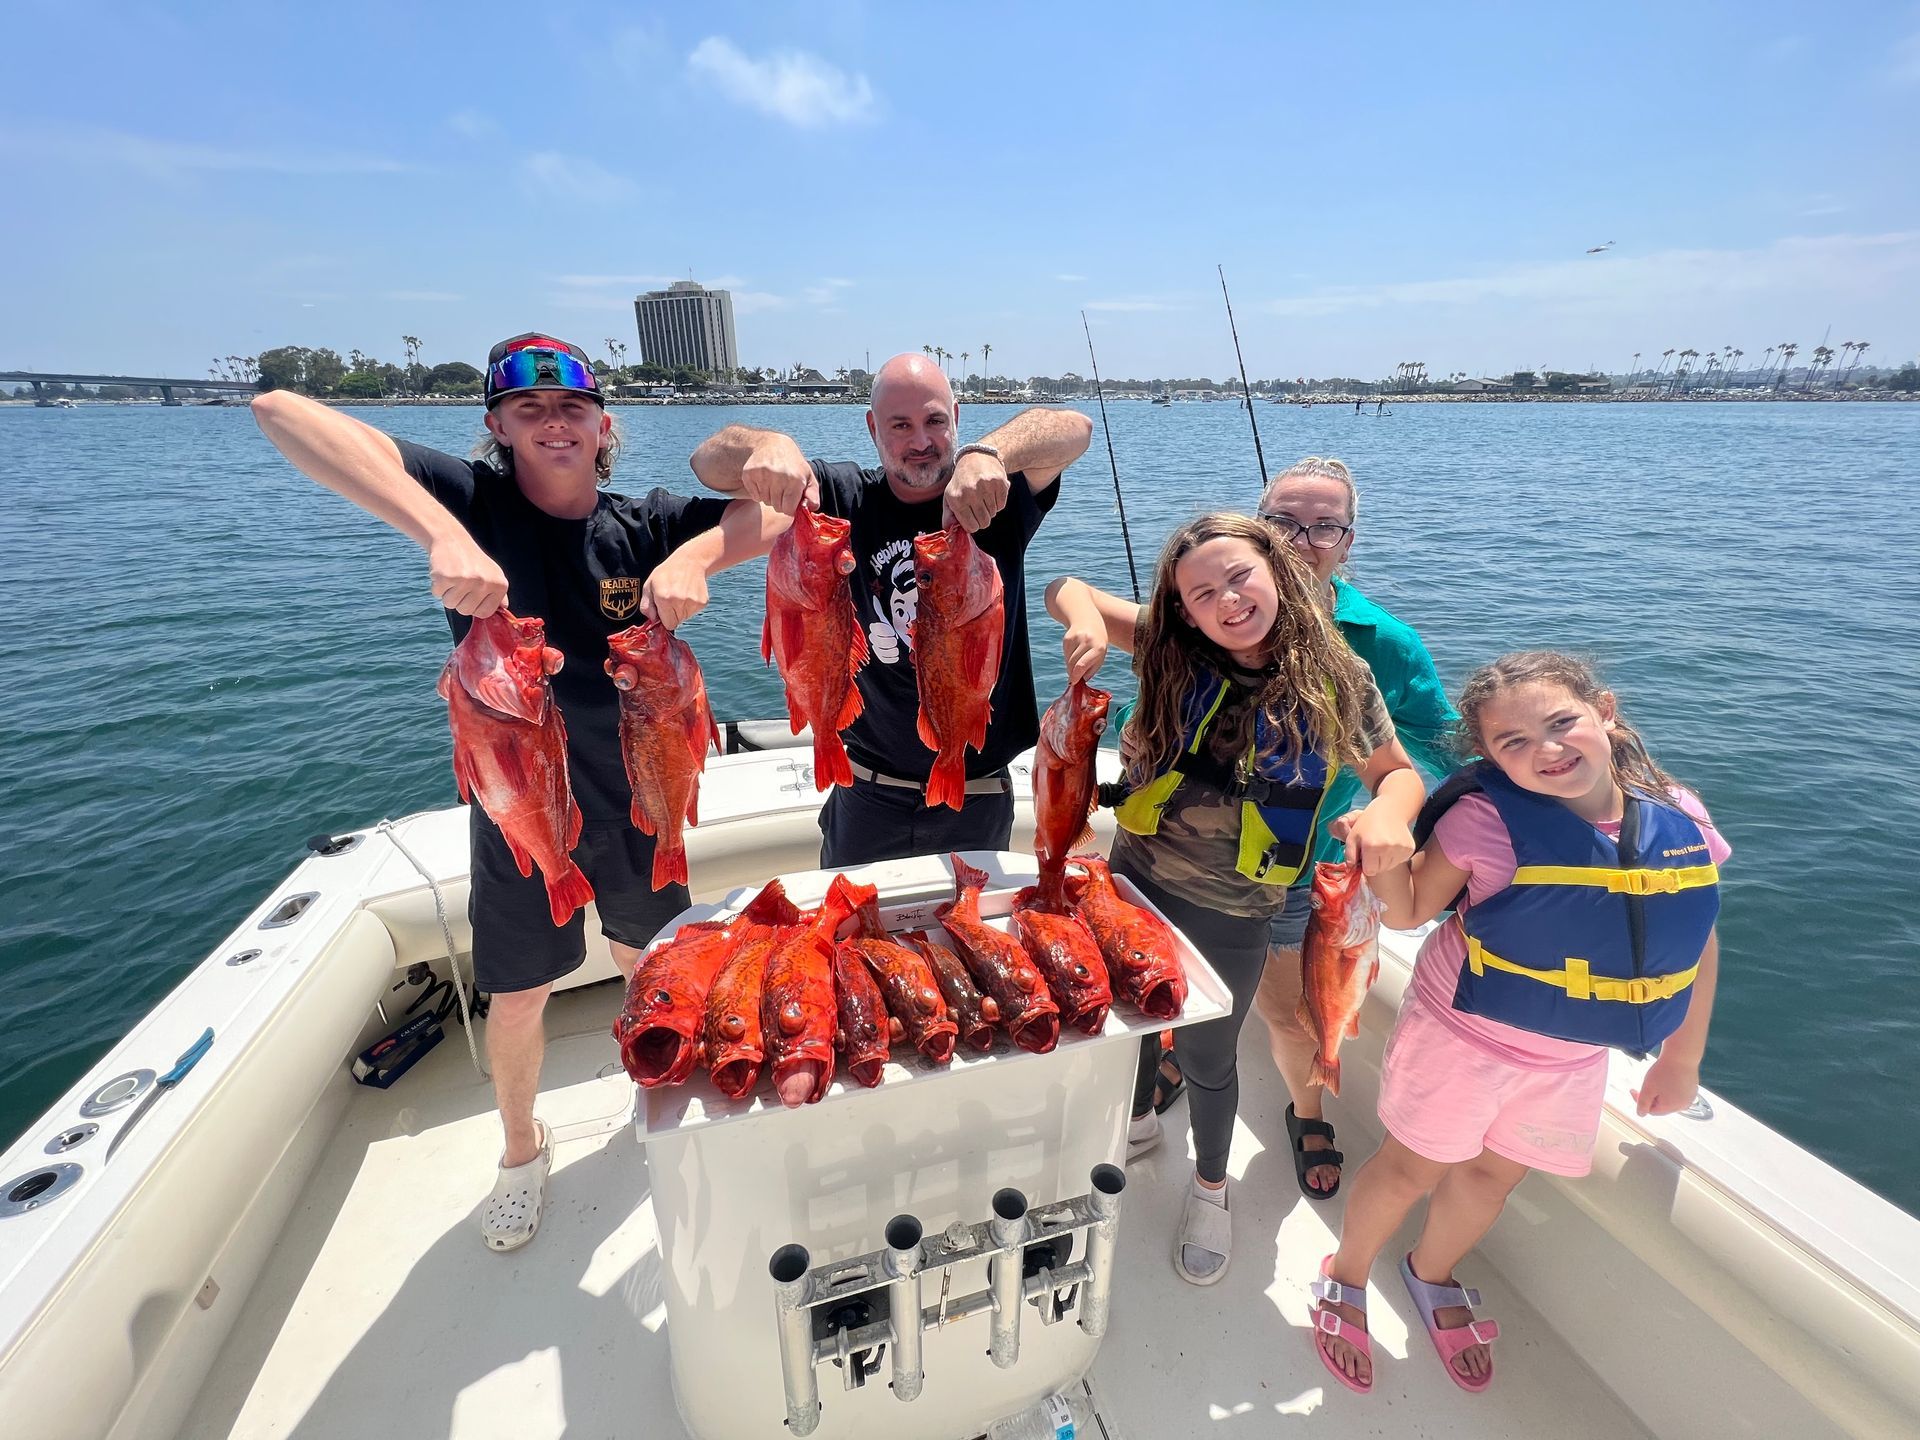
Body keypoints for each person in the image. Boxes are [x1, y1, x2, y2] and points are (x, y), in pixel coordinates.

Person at [252, 333, 781, 1252]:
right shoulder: (471, 501)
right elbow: (280, 413)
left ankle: (658, 1106)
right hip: (520, 806)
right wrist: (441, 532)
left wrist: (700, 557)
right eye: (528, 410)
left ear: (604, 426)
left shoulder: (644, 523)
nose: (553, 423)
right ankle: (519, 1152)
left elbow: (778, 510)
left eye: (572, 408)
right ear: (496, 426)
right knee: (522, 994)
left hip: (637, 799)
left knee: (649, 966)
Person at [1308, 651, 1725, 1395]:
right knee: (1409, 1170)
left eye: (1562, 723)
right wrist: (1374, 844)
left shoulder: (1679, 812)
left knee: (1494, 1179)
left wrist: (1682, 1058)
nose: (1548, 751)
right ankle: (1345, 1275)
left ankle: (1431, 1273)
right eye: (1514, 744)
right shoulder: (1481, 818)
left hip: (1570, 1061)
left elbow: (1694, 930)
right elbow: (1405, 911)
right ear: (1490, 757)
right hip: (1460, 1036)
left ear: (1605, 710)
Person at [1045, 513, 1424, 1285]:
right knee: (1134, 1019)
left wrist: (1390, 811)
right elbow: (1063, 588)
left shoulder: (1339, 679)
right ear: (1181, 608)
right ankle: (1143, 1116)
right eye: (1202, 592)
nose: (1227, 600)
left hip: (1237, 908)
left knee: (1212, 1057)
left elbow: (1398, 773)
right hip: (1134, 878)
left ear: (1277, 569)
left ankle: (1210, 1188)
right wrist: (1085, 614)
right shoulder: (1164, 643)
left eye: (1240, 577)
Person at [690, 353, 1092, 865]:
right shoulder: (838, 497)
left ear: (957, 419)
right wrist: (766, 446)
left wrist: (987, 453)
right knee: (850, 938)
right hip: (864, 793)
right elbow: (707, 464)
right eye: (900, 425)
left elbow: (1075, 428)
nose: (920, 441)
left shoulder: (995, 496)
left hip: (979, 794)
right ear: (872, 427)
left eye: (935, 421)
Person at [1246, 456, 1458, 1200]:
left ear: (1348, 541)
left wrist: (1392, 807)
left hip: (1316, 875)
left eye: (1323, 526)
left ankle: (1307, 1109)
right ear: (1256, 529)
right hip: (1203, 860)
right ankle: (1173, 1052)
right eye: (1282, 523)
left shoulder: (1387, 645)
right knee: (1187, 981)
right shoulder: (1213, 614)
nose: (1302, 541)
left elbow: (1437, 747)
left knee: (1293, 1012)